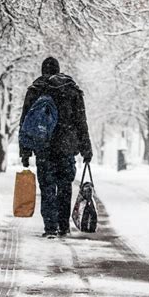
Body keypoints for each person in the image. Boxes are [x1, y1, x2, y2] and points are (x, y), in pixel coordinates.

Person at [19, 56, 92, 238]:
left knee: (48, 187)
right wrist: (86, 149)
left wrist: (25, 151)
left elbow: (25, 123)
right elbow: (81, 122)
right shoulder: (72, 90)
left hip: (44, 147)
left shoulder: (36, 89)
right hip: (67, 147)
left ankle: (50, 227)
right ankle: (63, 227)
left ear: (43, 70)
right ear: (59, 70)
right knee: (65, 187)